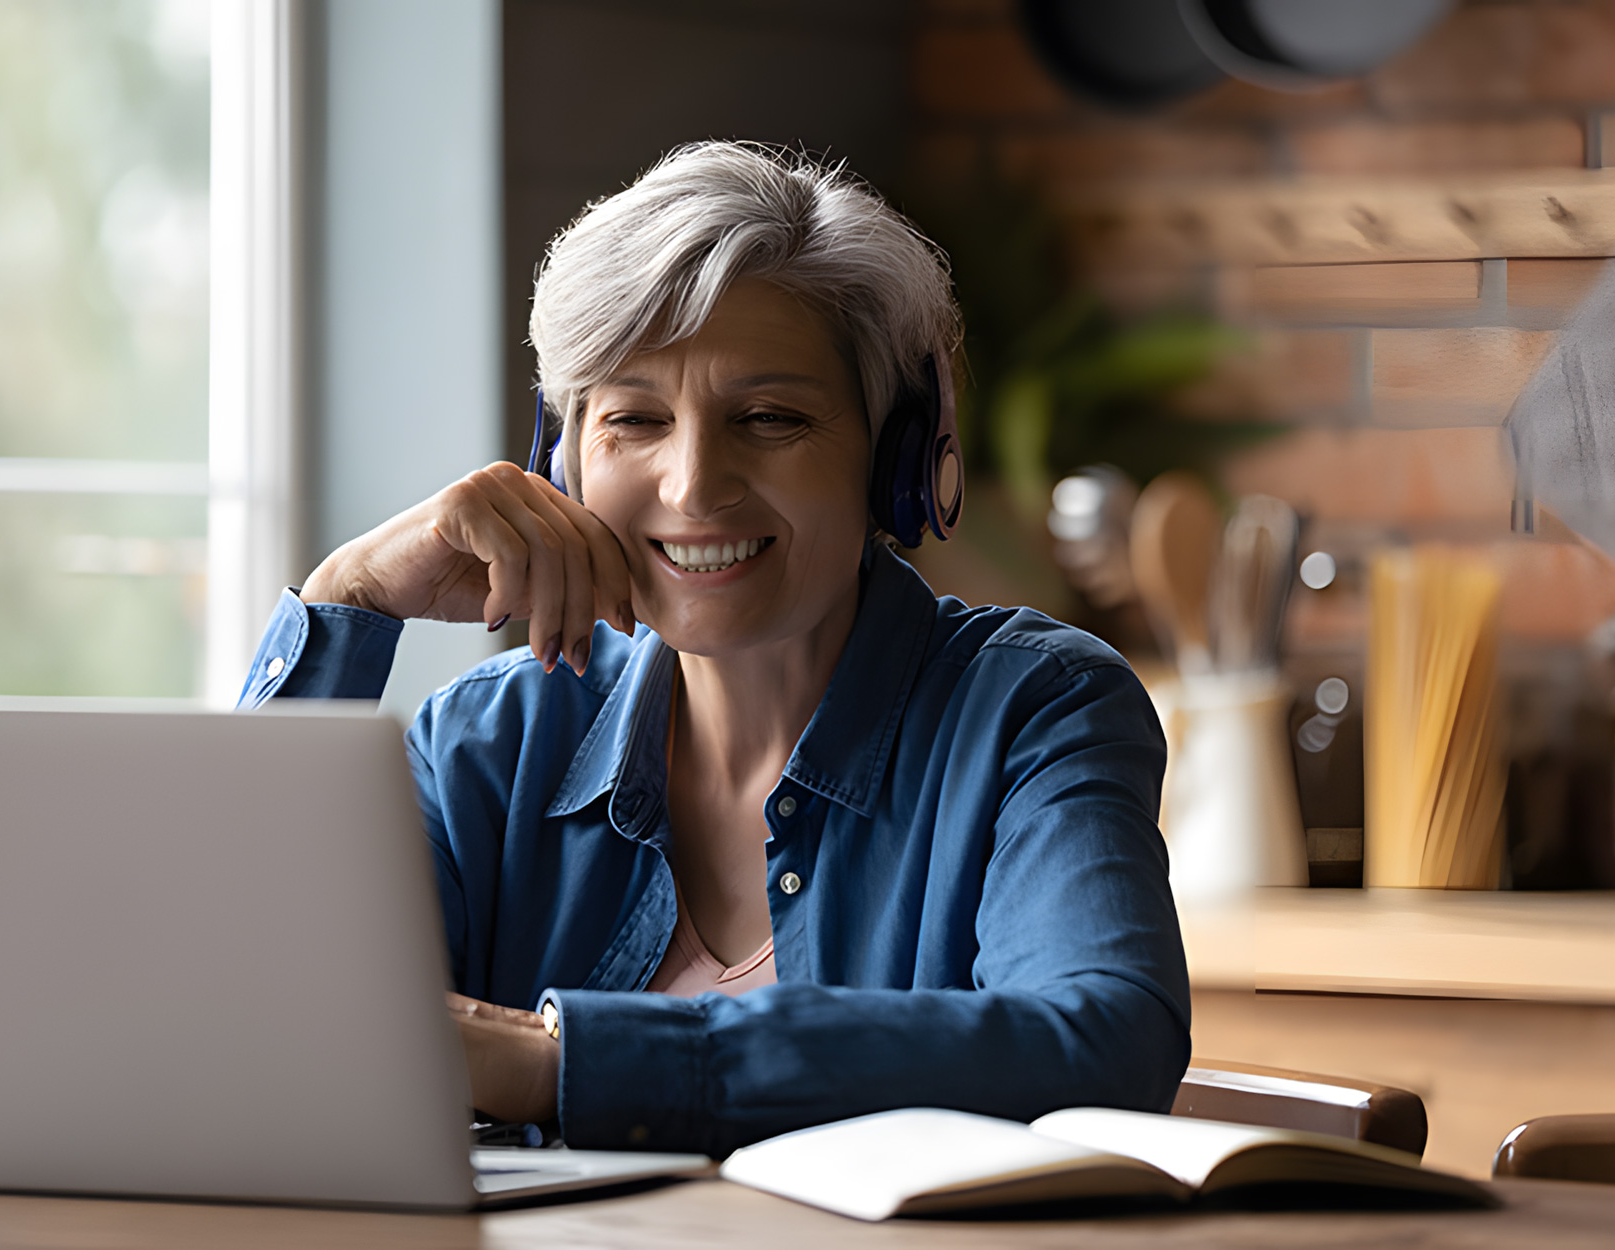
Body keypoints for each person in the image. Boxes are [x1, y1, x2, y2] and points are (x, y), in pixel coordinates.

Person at [239, 142, 1189, 1157]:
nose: (692, 484)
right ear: (557, 463)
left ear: (897, 459)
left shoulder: (1034, 706)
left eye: (769, 418)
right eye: (633, 418)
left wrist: (567, 1061)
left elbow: (1099, 1038)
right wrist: (349, 601)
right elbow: (234, 1018)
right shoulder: (490, 741)